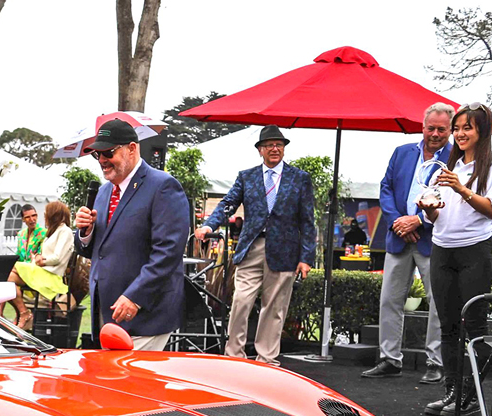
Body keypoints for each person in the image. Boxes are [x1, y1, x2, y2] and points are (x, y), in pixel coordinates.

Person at [420, 103, 492, 416]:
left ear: (481, 132)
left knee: (472, 326)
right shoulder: (447, 168)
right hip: (442, 249)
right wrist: (429, 205)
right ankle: (452, 393)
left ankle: (472, 394)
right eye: (457, 128)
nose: (459, 134)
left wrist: (461, 188)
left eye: (466, 128)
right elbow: (437, 214)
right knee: (447, 327)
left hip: (474, 251)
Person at [194, 125, 315, 364]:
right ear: (260, 150)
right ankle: (234, 355)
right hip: (251, 248)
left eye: (278, 145)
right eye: (269, 145)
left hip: (285, 251)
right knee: (241, 301)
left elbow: (308, 220)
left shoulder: (300, 178)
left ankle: (266, 359)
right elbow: (228, 203)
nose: (274, 149)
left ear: (283, 149)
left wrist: (306, 257)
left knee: (275, 307)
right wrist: (209, 226)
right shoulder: (246, 176)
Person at [75, 119, 190, 351]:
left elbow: (168, 252)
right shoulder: (104, 191)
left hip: (143, 315)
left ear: (132, 148)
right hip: (107, 315)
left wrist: (135, 296)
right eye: (97, 155)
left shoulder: (163, 186)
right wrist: (85, 233)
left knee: (130, 384)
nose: (102, 160)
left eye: (108, 152)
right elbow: (96, 249)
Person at [362, 103, 453, 383]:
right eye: (431, 127)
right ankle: (390, 359)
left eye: (441, 129)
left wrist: (419, 221)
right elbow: (386, 188)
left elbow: (455, 200)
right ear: (422, 126)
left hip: (433, 238)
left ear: (449, 130)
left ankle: (436, 362)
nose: (435, 133)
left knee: (437, 302)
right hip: (398, 236)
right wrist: (398, 221)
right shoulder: (401, 153)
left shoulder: (457, 158)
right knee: (389, 299)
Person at [7, 201, 75, 329]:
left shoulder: (65, 231)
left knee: (8, 273)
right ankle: (23, 313)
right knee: (7, 279)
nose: (44, 218)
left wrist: (42, 261)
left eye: (45, 214)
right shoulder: (54, 231)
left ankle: (23, 314)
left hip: (51, 276)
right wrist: (37, 258)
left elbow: (57, 258)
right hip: (42, 271)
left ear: (53, 215)